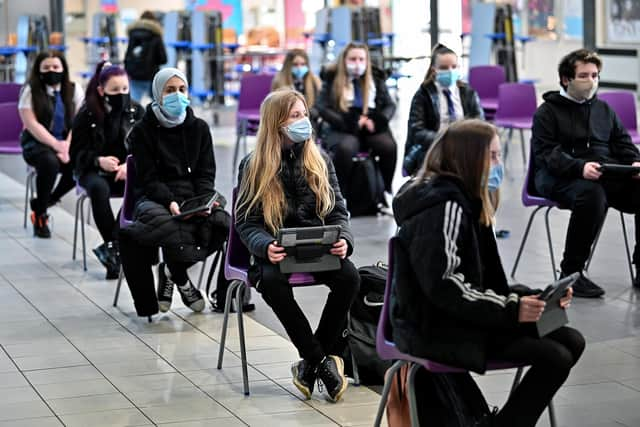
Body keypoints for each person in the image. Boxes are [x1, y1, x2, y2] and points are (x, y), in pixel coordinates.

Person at [392, 119, 584, 427]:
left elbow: (484, 282)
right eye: (492, 156)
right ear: (468, 158)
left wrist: (534, 298)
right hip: (435, 325)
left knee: (571, 340)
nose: (499, 164)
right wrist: (512, 309)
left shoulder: (466, 198)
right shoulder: (444, 206)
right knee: (555, 355)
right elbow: (445, 286)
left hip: (459, 314)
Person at [235, 89, 360, 403]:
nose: (303, 121)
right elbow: (246, 222)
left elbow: (338, 211)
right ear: (276, 123)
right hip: (276, 249)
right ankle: (320, 361)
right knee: (272, 282)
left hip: (316, 245)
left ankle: (308, 366)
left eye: (304, 114)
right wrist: (265, 246)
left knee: (350, 278)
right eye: (295, 116)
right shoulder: (254, 165)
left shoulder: (320, 160)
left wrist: (344, 239)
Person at [119, 68, 229, 317]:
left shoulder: (199, 128)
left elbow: (205, 174)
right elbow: (148, 178)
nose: (177, 96)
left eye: (182, 90)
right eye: (170, 90)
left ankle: (171, 270)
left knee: (224, 223)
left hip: (194, 196)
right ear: (158, 94)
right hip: (155, 196)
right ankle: (179, 277)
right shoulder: (142, 131)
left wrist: (204, 201)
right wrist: (169, 201)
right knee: (162, 225)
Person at [532, 49, 640, 297]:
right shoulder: (546, 113)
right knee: (591, 195)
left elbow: (623, 143)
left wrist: (635, 162)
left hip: (604, 173)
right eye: (584, 75)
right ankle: (571, 275)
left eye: (595, 75)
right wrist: (579, 167)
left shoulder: (604, 110)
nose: (591, 81)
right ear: (565, 79)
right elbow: (548, 154)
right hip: (559, 177)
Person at [70, 61, 144, 279]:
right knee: (99, 189)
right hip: (93, 170)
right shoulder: (87, 114)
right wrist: (98, 161)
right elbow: (76, 155)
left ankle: (113, 249)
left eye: (124, 89)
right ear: (102, 91)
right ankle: (116, 247)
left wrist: (128, 166)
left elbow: (146, 150)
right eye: (114, 90)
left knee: (142, 187)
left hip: (125, 170)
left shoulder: (137, 111)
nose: (121, 94)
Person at [315, 41, 396, 197]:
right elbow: (321, 106)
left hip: (371, 121)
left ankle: (386, 189)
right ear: (344, 60)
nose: (357, 64)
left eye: (361, 59)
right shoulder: (331, 77)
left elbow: (390, 105)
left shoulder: (376, 78)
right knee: (345, 148)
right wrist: (350, 123)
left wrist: (377, 121)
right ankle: (340, 194)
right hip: (342, 123)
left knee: (388, 147)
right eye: (353, 59)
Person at [19, 50, 84, 238]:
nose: (51, 71)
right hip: (37, 142)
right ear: (38, 70)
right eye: (46, 67)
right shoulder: (30, 90)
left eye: (56, 67)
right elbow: (31, 125)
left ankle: (46, 200)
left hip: (68, 140)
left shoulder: (74, 89)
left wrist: (68, 145)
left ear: (63, 69)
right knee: (50, 163)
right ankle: (41, 217)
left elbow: (80, 121)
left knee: (81, 162)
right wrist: (58, 146)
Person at [403, 44, 484, 176]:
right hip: (434, 146)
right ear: (434, 70)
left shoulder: (468, 93)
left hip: (463, 146)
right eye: (444, 68)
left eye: (454, 67)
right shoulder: (423, 94)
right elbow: (417, 131)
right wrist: (444, 139)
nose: (450, 71)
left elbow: (480, 122)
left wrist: (463, 140)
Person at [124, 10, 167, 103]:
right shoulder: (156, 35)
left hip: (134, 74)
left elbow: (128, 56)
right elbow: (163, 59)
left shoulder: (133, 34)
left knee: (133, 104)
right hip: (151, 75)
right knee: (157, 105)